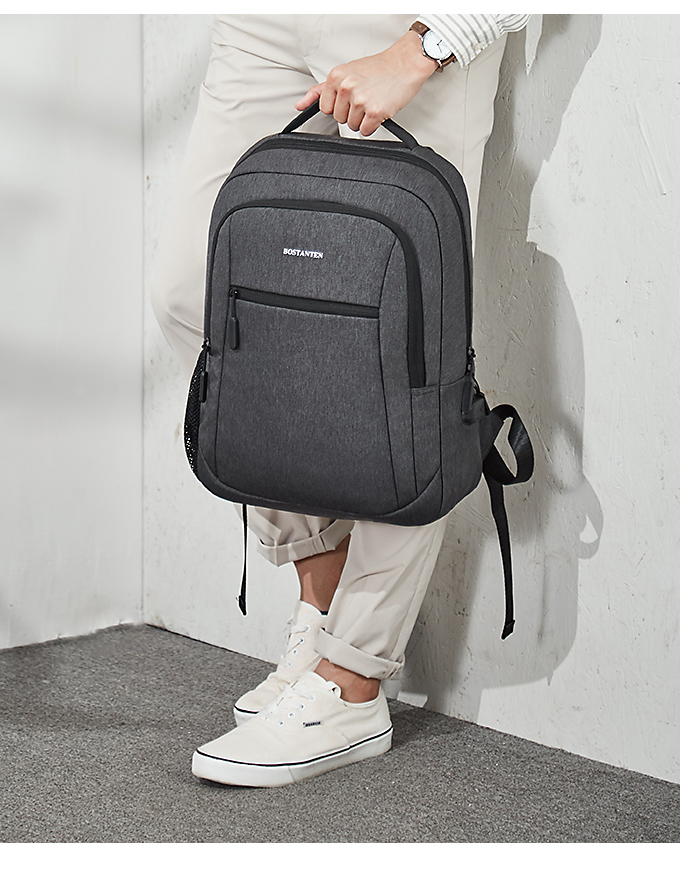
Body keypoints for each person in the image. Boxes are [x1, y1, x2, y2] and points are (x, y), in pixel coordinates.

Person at [150, 13, 530, 787]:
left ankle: (351, 681)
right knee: (193, 293)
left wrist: (423, 47)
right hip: (263, 25)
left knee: (409, 350)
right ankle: (321, 602)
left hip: (411, 26)